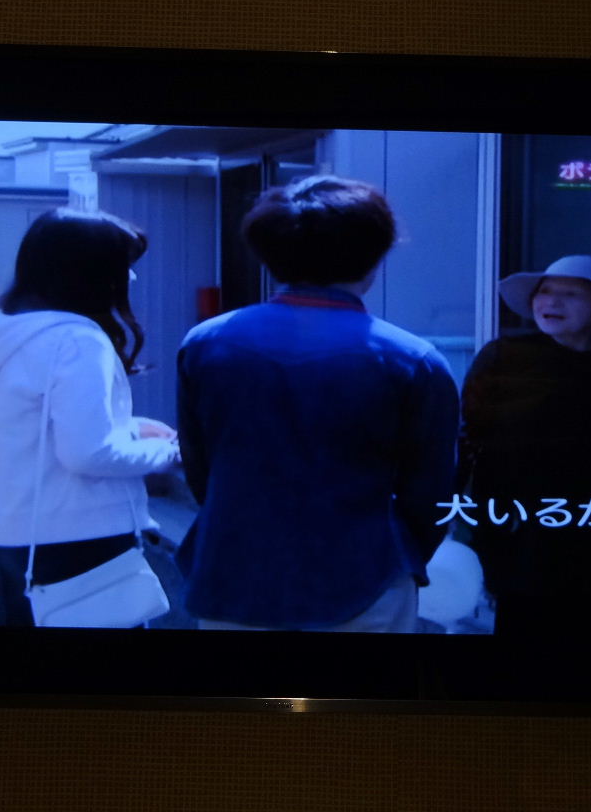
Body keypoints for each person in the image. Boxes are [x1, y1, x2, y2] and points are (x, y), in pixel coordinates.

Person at [174, 175, 460, 632]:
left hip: (233, 573)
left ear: (269, 253)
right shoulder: (412, 359)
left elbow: (201, 469)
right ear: (375, 255)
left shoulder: (207, 343)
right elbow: (429, 494)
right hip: (365, 579)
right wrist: (400, 558)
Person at [0, 208, 179, 626]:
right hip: (82, 536)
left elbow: (25, 427)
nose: (130, 279)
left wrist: (131, 429)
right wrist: (169, 453)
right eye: (122, 267)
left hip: (10, 534)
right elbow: (89, 454)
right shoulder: (77, 340)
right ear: (90, 273)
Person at [460, 254, 591, 639]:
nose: (552, 302)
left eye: (571, 294)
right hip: (518, 527)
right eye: (544, 291)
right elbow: (468, 437)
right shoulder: (504, 356)